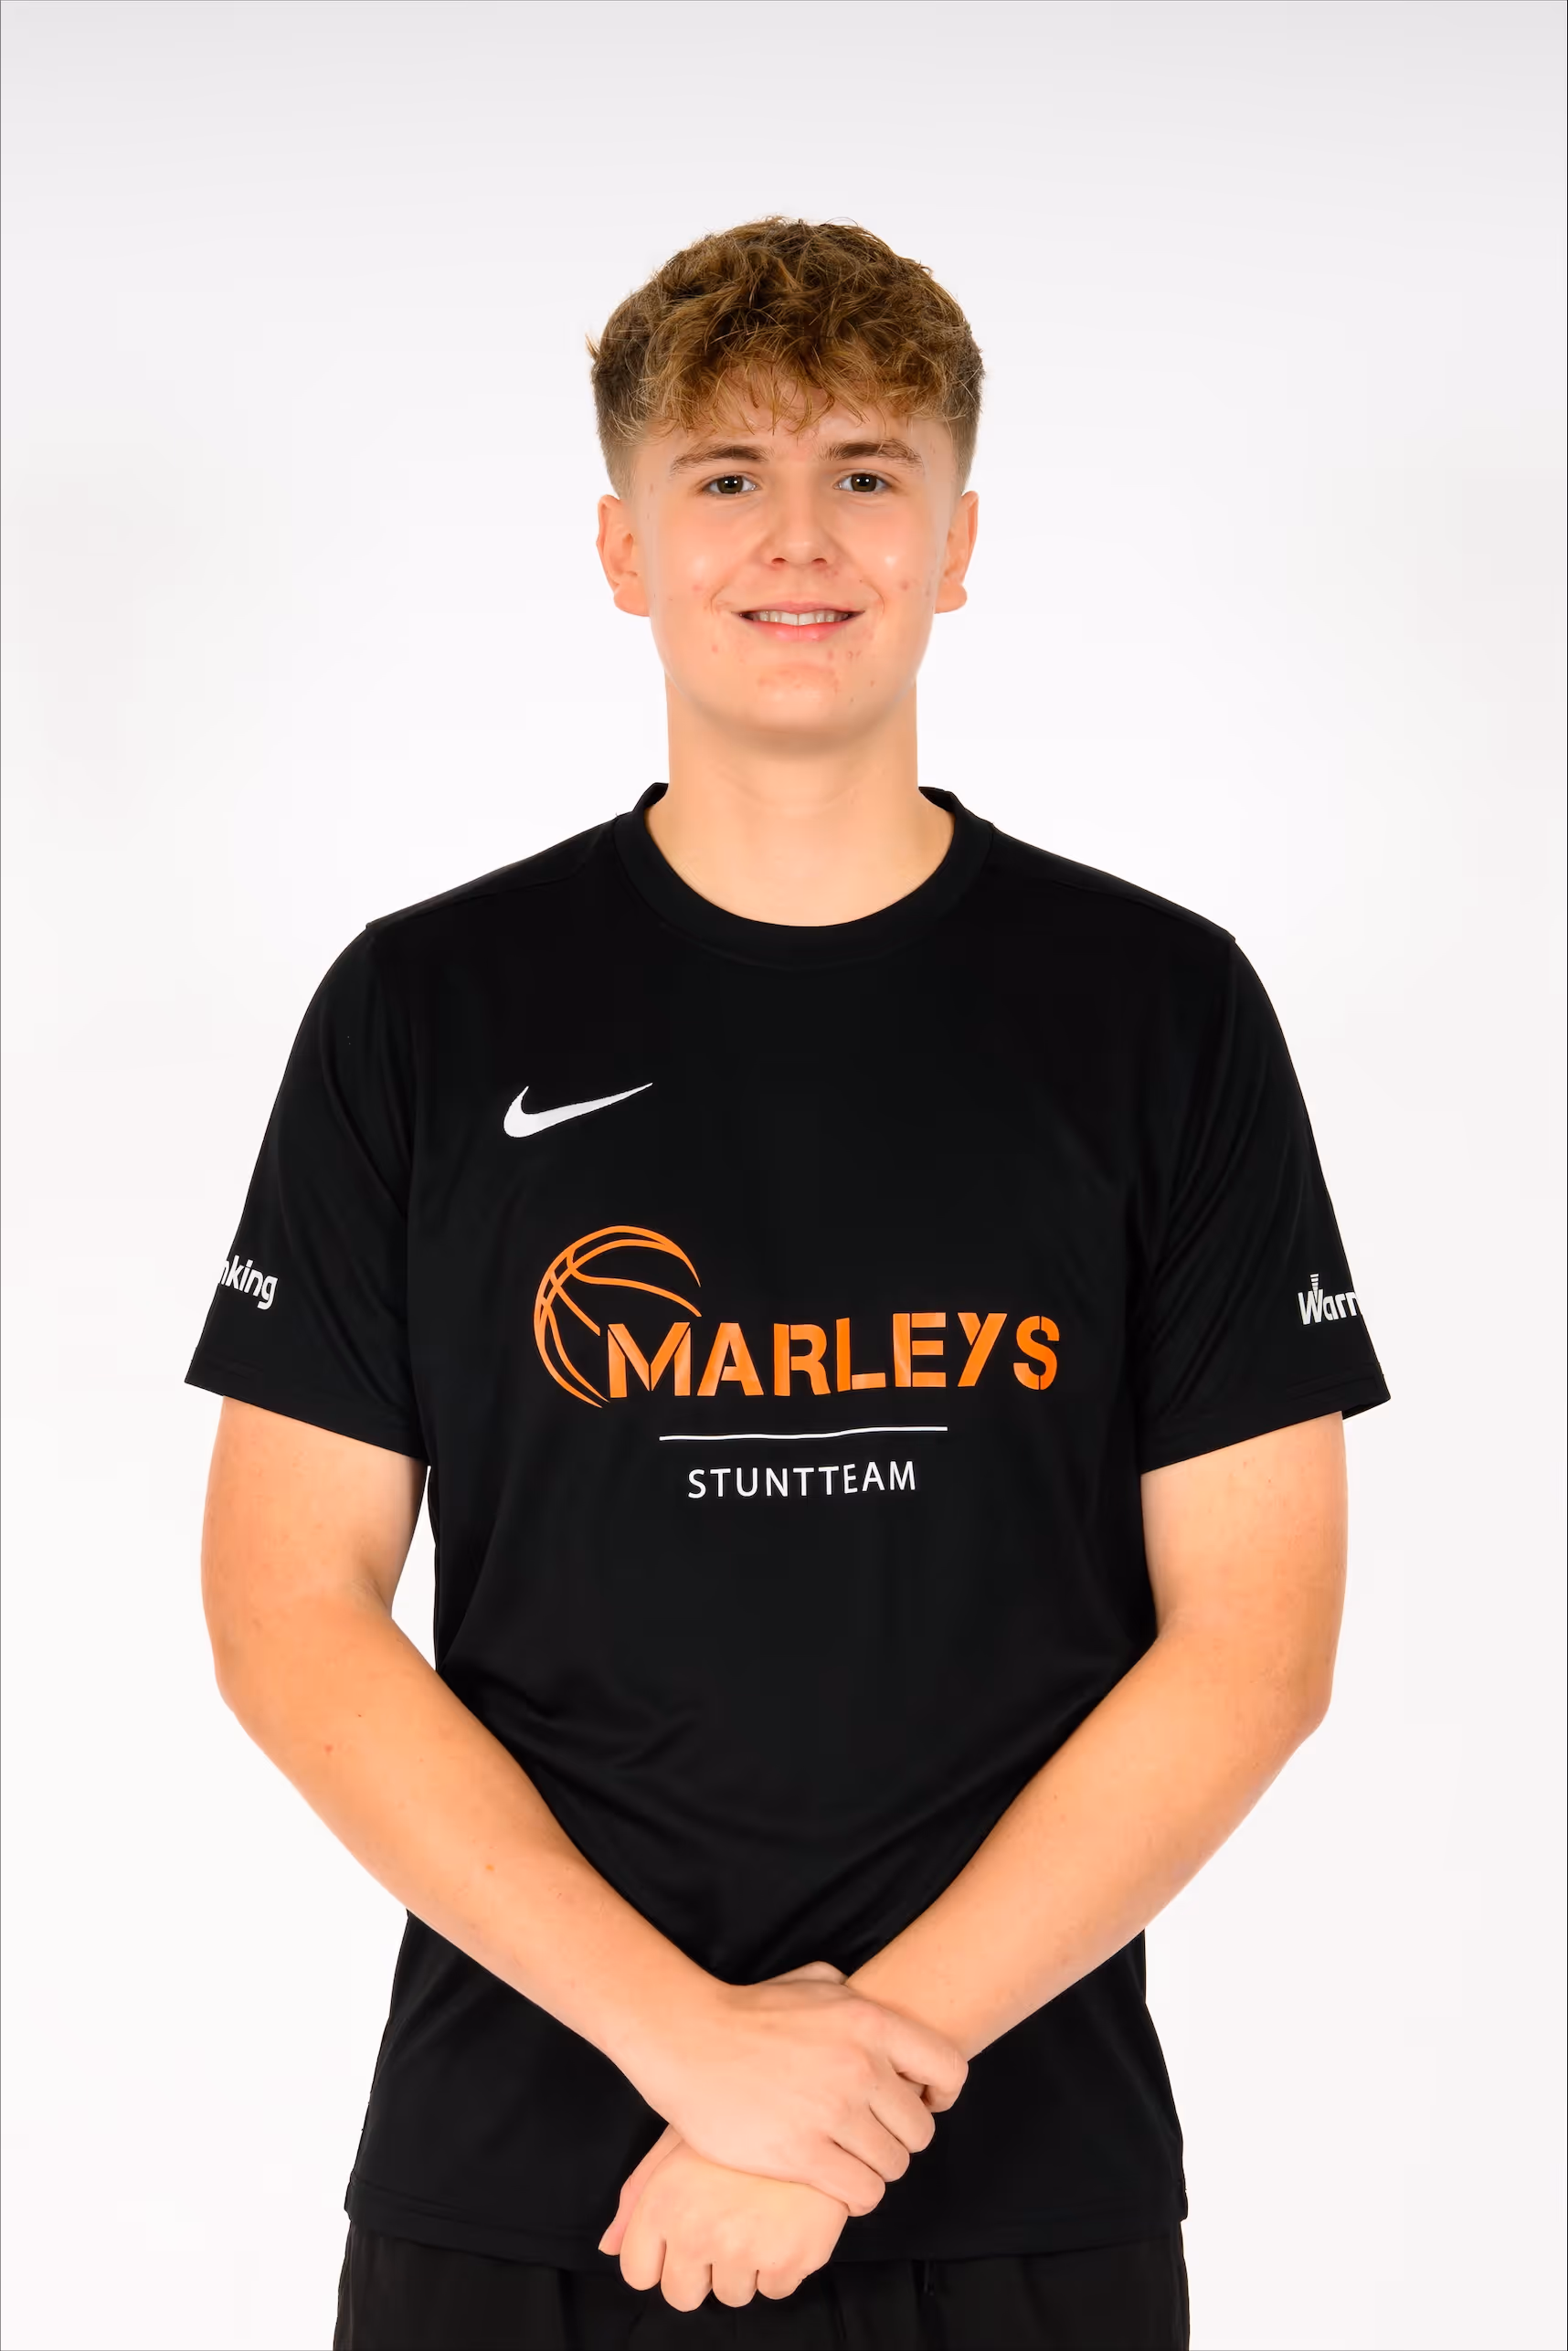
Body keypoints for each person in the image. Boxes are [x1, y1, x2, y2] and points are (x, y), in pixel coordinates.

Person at [191, 218, 1389, 2351]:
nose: (799, 537)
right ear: (625, 547)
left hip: (1021, 2187)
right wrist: (688, 2041)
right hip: (522, 2180)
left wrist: (841, 2090)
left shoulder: (1159, 1009)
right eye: (727, 475)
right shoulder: (425, 1009)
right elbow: (288, 1605)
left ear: (958, 540)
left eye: (866, 470)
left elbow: (1257, 1641)